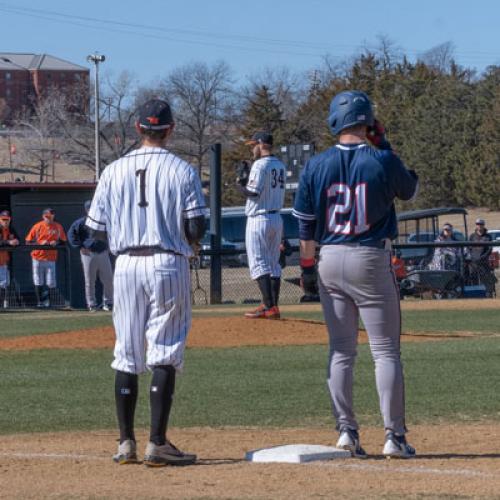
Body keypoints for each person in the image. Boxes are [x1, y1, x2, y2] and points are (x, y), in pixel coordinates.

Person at [293, 90, 418, 458]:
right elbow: (409, 189)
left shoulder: (316, 164)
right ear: (369, 122)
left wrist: (306, 269)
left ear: (334, 120)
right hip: (369, 256)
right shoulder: (381, 158)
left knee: (341, 351)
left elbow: (305, 226)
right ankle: (394, 437)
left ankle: (347, 431)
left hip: (329, 256)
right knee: (385, 352)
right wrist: (386, 143)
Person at [85, 99, 205, 467]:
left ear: (137, 129)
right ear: (170, 129)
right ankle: (157, 443)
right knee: (164, 349)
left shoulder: (113, 170)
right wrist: (190, 241)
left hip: (125, 266)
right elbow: (197, 225)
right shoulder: (182, 169)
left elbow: (94, 231)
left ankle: (125, 443)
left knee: (126, 351)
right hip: (167, 261)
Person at [236, 132, 286, 319]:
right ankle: (273, 306)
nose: (252, 148)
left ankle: (269, 306)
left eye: (253, 145)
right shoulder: (280, 164)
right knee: (273, 264)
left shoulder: (259, 164)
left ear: (261, 144)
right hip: (276, 218)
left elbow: (253, 192)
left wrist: (239, 184)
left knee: (258, 263)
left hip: (259, 218)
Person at [68, 201, 114, 312]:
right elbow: (71, 234)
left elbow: (112, 233)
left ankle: (108, 303)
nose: (92, 210)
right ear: (86, 210)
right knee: (90, 280)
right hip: (88, 254)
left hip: (102, 252)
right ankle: (91, 304)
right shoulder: (81, 222)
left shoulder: (103, 221)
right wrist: (80, 247)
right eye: (90, 208)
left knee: (108, 279)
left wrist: (110, 246)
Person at [25, 208, 67, 308]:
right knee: (38, 280)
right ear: (43, 216)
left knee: (51, 282)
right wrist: (40, 243)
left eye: (51, 216)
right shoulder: (37, 226)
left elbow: (64, 241)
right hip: (37, 257)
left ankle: (48, 301)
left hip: (51, 257)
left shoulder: (58, 226)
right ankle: (40, 302)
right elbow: (28, 242)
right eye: (47, 216)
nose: (49, 218)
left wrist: (56, 242)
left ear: (53, 216)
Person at [467, 218, 496, 296]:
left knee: (485, 279)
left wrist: (483, 257)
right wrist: (472, 257)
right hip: (473, 262)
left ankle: (487, 294)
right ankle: (474, 295)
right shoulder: (472, 236)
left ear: (483, 225)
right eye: (478, 224)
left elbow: (490, 249)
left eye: (481, 224)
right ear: (476, 225)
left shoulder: (488, 237)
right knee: (473, 278)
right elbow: (468, 248)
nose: (479, 226)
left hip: (484, 262)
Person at [0, 210, 20, 307]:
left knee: (4, 283)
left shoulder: (11, 229)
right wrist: (8, 242)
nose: (5, 221)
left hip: (4, 261)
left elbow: (18, 239)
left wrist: (16, 241)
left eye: (7, 219)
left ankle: (4, 304)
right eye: (3, 219)